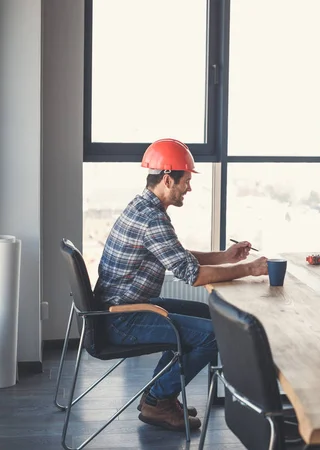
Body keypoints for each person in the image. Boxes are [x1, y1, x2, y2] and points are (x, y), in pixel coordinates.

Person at [94, 138, 268, 432]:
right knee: (213, 335)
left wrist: (224, 257)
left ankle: (158, 394)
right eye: (186, 181)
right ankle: (158, 400)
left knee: (204, 314)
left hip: (123, 308)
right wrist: (248, 269)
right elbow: (193, 275)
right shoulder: (152, 219)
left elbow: (175, 254)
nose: (189, 187)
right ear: (167, 179)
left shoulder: (142, 207)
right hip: (123, 318)